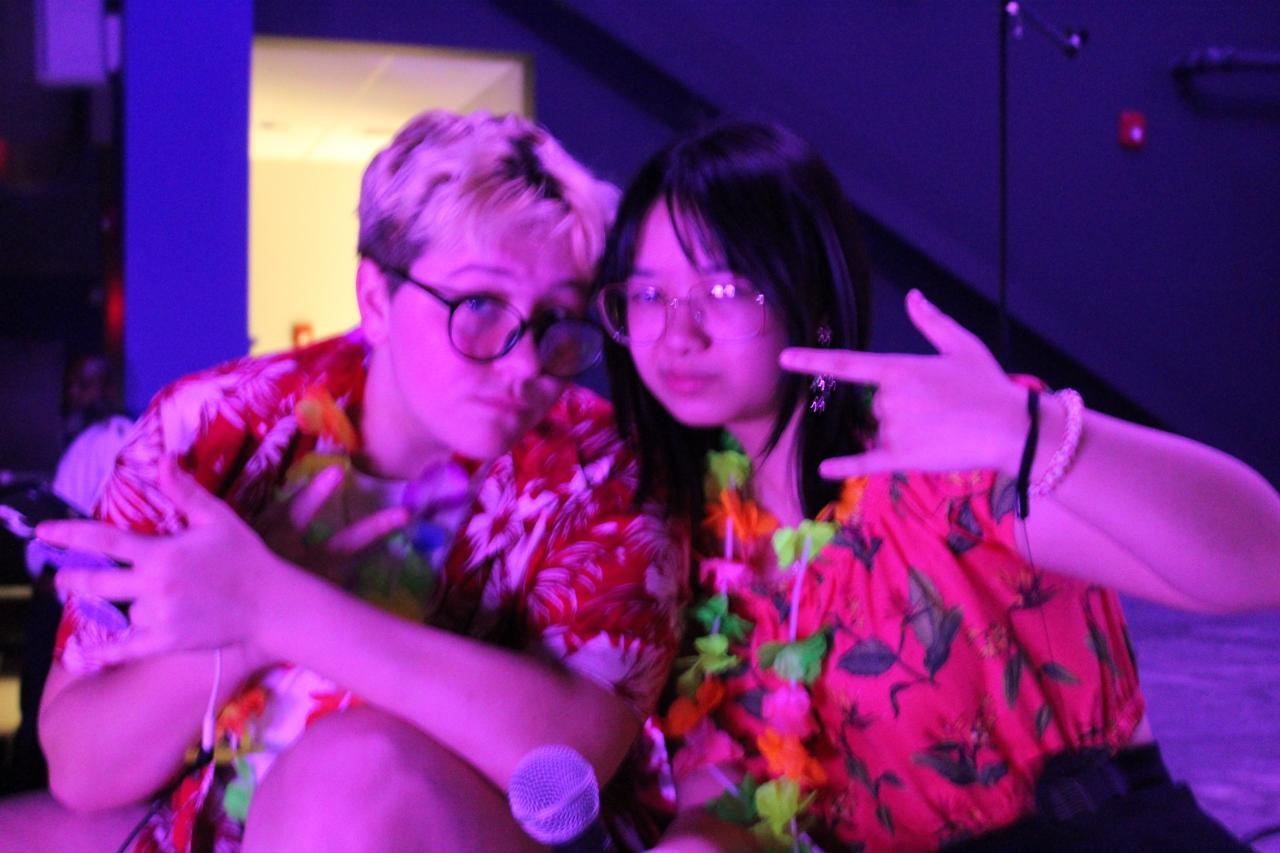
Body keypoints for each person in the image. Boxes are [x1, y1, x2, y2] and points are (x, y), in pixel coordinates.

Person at [4, 110, 686, 851]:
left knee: (349, 774)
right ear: (376, 300)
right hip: (224, 818)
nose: (526, 363)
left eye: (557, 319)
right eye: (481, 306)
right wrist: (236, 639)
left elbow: (566, 764)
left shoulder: (606, 469)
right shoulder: (209, 430)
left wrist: (276, 604)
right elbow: (81, 767)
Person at [591, 118, 1280, 851]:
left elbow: (1262, 561)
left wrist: (1025, 428)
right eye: (648, 295)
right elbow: (727, 793)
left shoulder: (936, 460)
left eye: (724, 288)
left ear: (812, 302)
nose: (678, 335)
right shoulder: (689, 535)